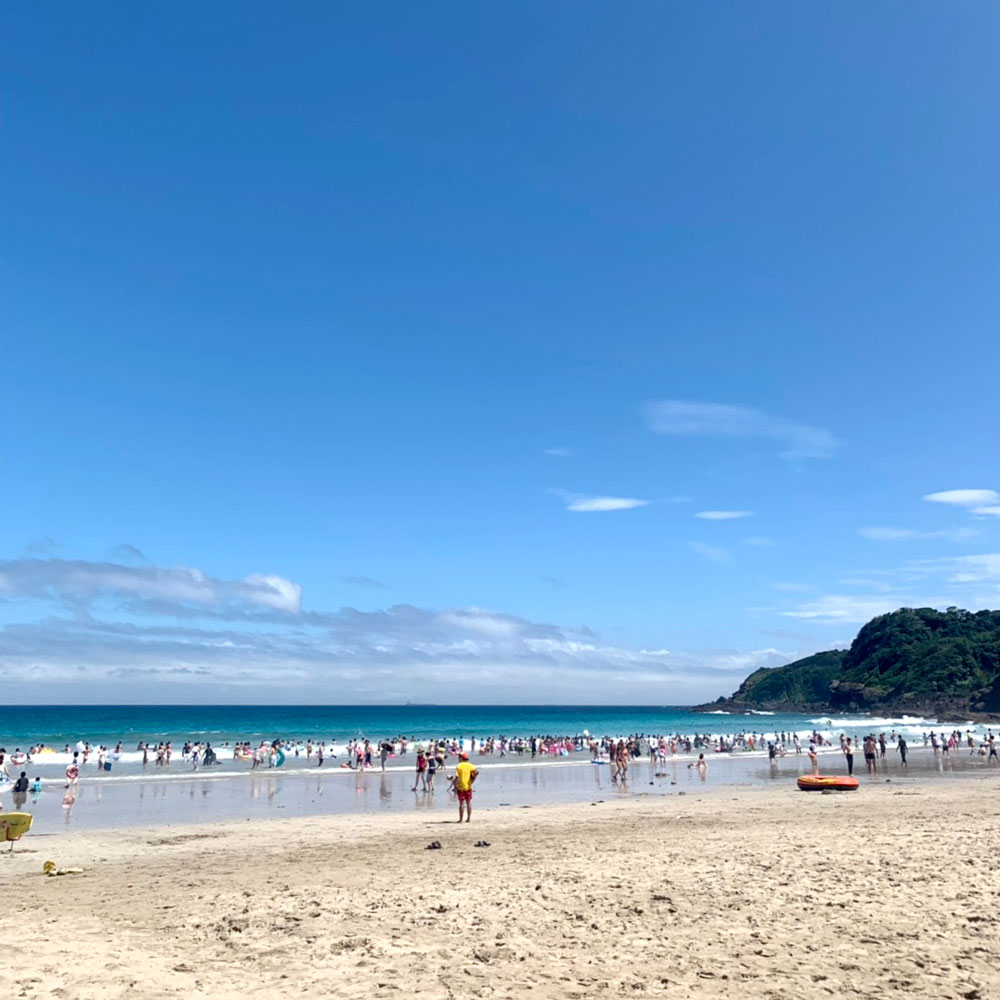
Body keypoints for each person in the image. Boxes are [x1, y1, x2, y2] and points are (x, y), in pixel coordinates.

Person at [453, 751, 478, 822]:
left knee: (461, 803)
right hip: (468, 787)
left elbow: (457, 777)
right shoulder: (471, 766)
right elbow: (475, 775)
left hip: (460, 787)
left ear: (461, 758)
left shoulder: (459, 766)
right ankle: (468, 819)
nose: (458, 759)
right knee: (468, 802)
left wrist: (455, 785)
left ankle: (461, 819)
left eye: (459, 757)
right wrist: (471, 782)